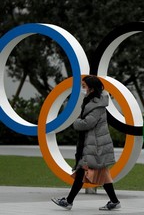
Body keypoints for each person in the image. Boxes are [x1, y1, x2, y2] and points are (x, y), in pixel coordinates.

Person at [51, 75, 120, 211]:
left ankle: (69, 201)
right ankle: (114, 201)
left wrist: (76, 122)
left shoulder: (96, 105)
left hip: (95, 146)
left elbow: (88, 123)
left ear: (92, 88)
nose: (83, 89)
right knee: (102, 174)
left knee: (82, 171)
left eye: (84, 86)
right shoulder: (92, 102)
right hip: (93, 144)